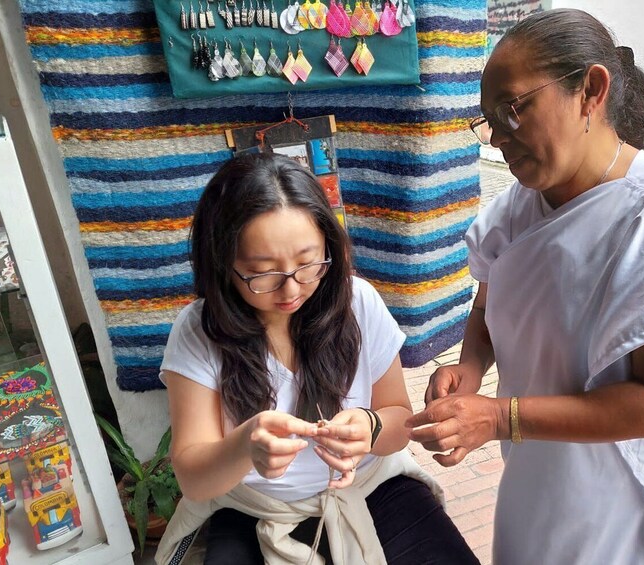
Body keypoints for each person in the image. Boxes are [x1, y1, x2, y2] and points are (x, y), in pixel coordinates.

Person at [406, 8, 644, 564]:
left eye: (513, 109)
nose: (498, 138)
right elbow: (493, 294)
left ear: (590, 91)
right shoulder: (520, 206)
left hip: (630, 500)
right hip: (538, 476)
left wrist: (499, 417)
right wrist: (470, 366)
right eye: (488, 120)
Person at [154, 152, 478, 565]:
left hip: (368, 484)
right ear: (222, 262)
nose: (291, 288)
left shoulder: (357, 302)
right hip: (253, 505)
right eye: (263, 271)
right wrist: (244, 447)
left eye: (308, 263)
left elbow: (399, 420)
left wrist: (371, 427)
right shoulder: (199, 330)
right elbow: (193, 477)